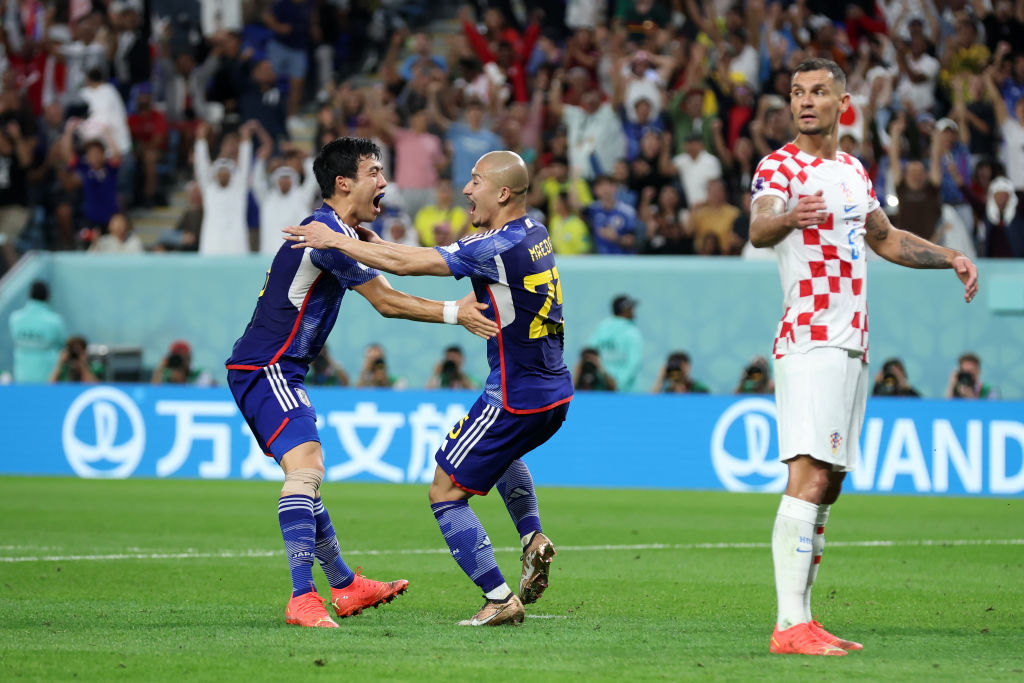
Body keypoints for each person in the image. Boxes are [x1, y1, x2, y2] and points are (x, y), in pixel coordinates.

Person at [284, 150, 573, 627]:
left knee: (444, 491)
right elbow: (491, 284)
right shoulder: (534, 233)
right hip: (555, 393)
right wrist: (373, 245)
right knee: (499, 458)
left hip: (514, 396)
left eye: (475, 180)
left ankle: (499, 599)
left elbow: (405, 262)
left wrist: (336, 240)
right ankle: (531, 536)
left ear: (502, 192)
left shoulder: (490, 247)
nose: (466, 189)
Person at [749, 58, 978, 656]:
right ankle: (788, 625)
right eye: (798, 92)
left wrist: (949, 255)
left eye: (819, 92)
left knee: (832, 485)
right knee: (810, 475)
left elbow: (886, 238)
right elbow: (758, 225)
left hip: (852, 342)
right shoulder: (780, 166)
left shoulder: (852, 170)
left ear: (842, 105)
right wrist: (786, 218)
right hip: (810, 335)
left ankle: (804, 617)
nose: (806, 101)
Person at [224, 137, 499, 629]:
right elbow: (387, 301)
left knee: (305, 479)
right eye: (375, 171)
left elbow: (390, 272)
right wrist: (456, 312)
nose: (385, 182)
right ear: (343, 183)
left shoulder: (337, 232)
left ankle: (346, 585)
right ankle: (302, 598)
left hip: (273, 367)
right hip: (267, 366)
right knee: (307, 466)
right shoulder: (324, 233)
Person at [9, 281, 67, 383]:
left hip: (21, 375)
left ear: (29, 295)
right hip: (48, 376)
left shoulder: (15, 318)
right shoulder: (54, 320)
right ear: (47, 296)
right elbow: (62, 345)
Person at [587, 295, 643, 392]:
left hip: (600, 388)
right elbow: (634, 363)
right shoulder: (632, 332)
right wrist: (619, 385)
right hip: (625, 392)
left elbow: (589, 354)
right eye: (631, 308)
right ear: (625, 309)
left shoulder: (602, 327)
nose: (633, 311)